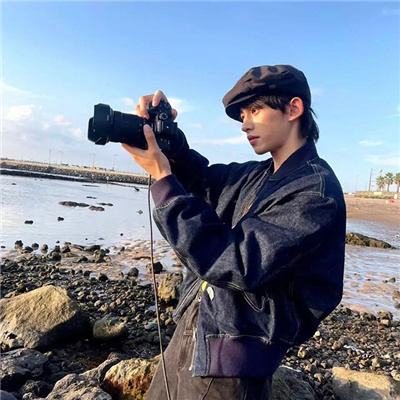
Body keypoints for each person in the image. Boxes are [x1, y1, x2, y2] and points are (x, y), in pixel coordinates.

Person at [122, 64, 346, 400]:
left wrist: (164, 181)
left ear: (293, 109)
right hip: (194, 336)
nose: (245, 124)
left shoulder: (314, 191)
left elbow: (238, 263)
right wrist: (169, 140)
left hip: (231, 368)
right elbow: (203, 181)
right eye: (242, 115)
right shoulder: (257, 175)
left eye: (255, 110)